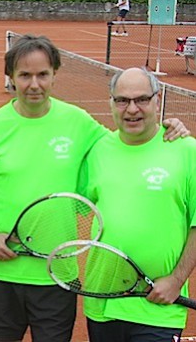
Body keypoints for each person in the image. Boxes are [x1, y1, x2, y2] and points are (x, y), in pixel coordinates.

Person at [0, 35, 189, 342]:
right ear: (11, 77)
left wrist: (169, 128)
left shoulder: (79, 123)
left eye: (42, 74)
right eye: (24, 75)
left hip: (58, 276)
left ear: (55, 74)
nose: (34, 84)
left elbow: (128, 137)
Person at [79, 67, 196, 342]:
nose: (132, 109)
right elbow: (74, 206)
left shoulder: (186, 150)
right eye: (122, 100)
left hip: (158, 305)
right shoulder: (97, 150)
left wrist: (176, 280)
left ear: (157, 100)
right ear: (111, 102)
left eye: (142, 99)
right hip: (102, 301)